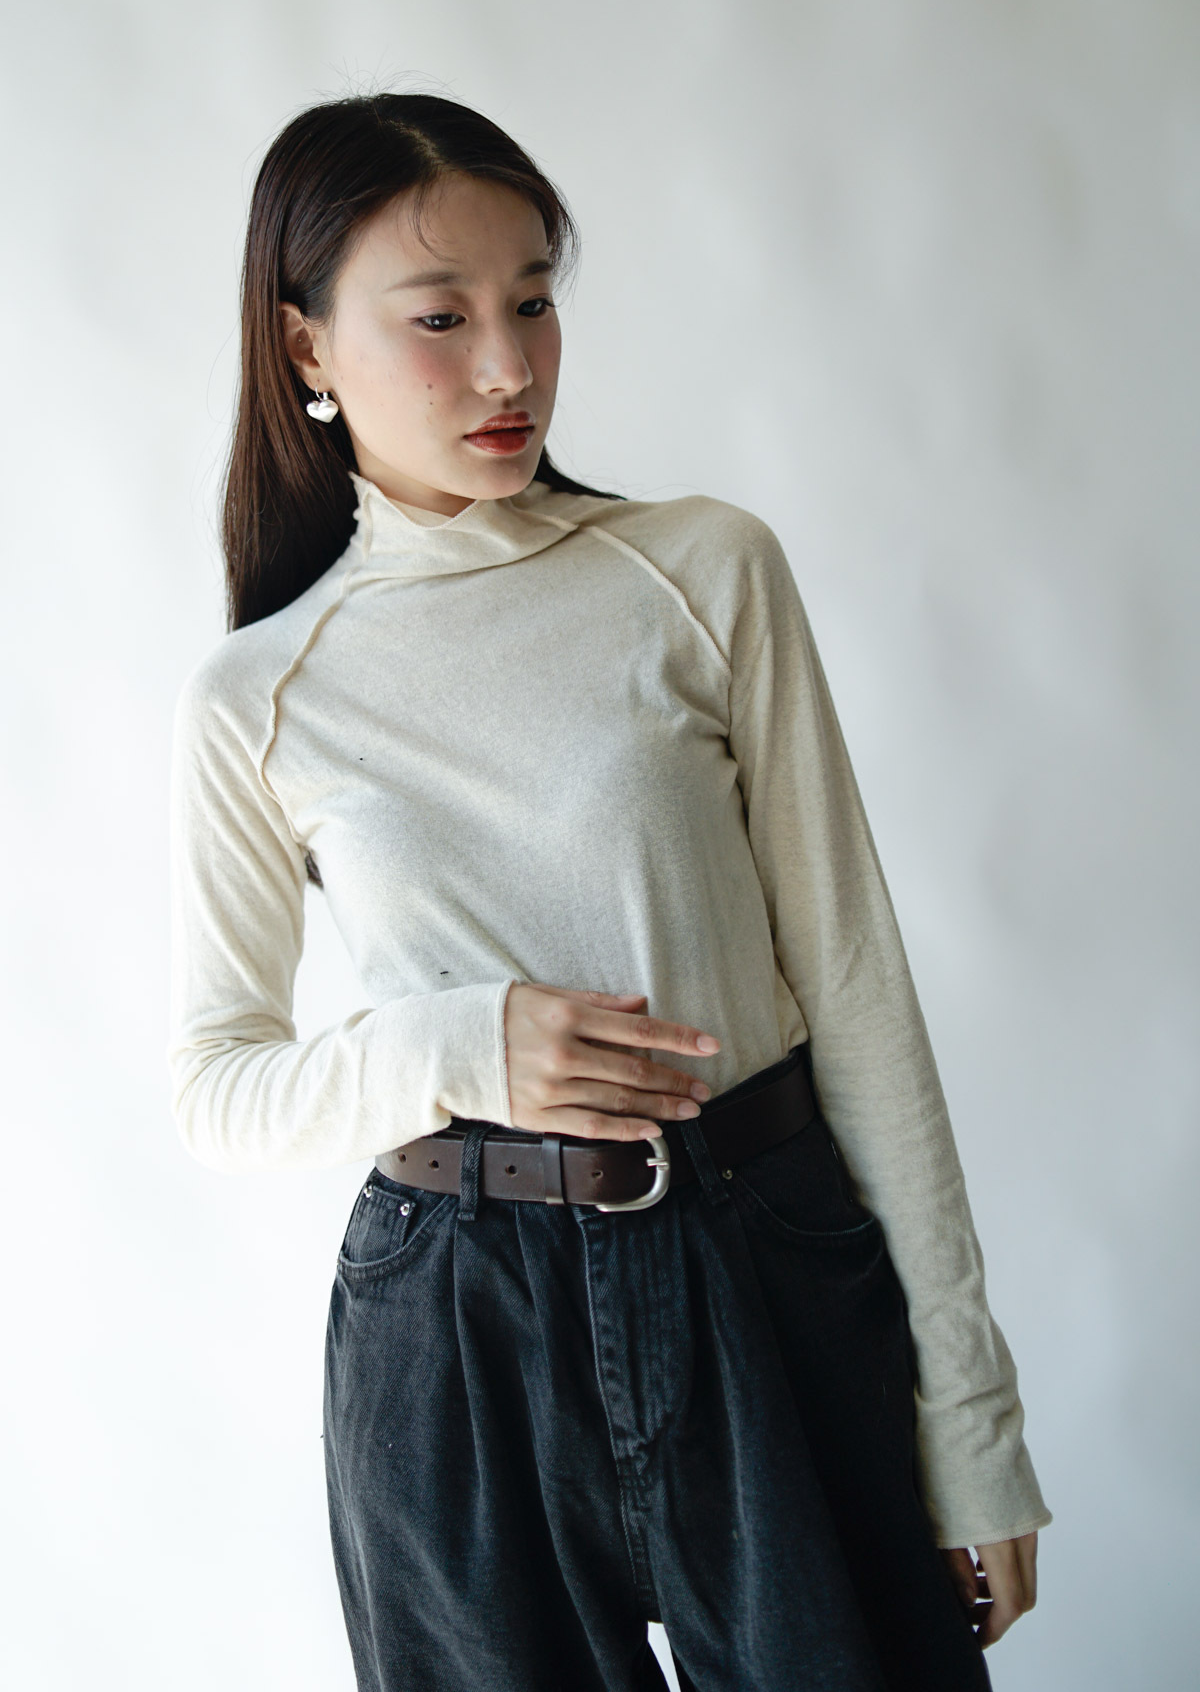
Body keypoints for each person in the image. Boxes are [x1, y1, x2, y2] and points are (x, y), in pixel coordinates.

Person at [167, 92, 1051, 1692]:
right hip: (453, 1326)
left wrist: (972, 1422)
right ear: (306, 347)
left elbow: (855, 989)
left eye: (533, 302)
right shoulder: (261, 695)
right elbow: (217, 1090)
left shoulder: (701, 570)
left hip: (763, 1254)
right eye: (441, 318)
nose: (509, 366)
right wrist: (464, 1045)